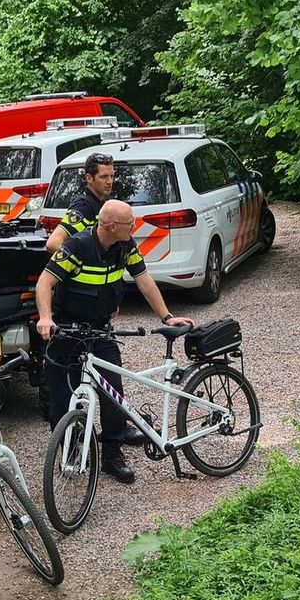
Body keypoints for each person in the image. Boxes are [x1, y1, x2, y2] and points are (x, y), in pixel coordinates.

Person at [36, 199, 195, 484]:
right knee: (62, 398)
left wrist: (166, 316)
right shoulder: (77, 247)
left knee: (113, 393)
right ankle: (70, 447)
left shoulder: (126, 246)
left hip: (100, 330)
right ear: (110, 226)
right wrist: (46, 318)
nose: (134, 228)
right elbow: (45, 282)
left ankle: (112, 452)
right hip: (68, 331)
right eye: (129, 224)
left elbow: (144, 279)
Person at [45, 151, 115, 252]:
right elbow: (53, 243)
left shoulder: (101, 203)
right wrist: (81, 262)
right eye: (104, 177)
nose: (109, 181)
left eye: (111, 176)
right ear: (89, 178)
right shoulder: (83, 207)